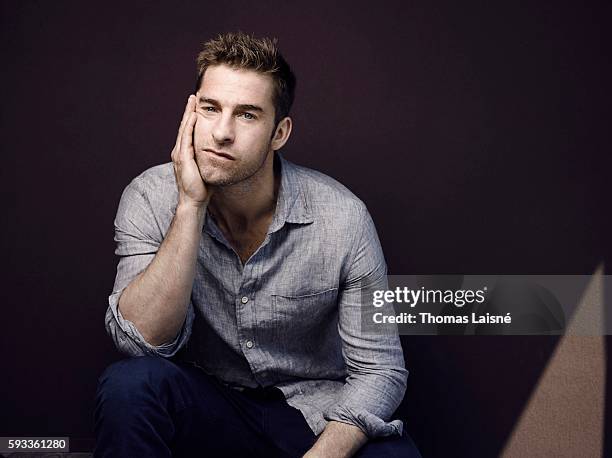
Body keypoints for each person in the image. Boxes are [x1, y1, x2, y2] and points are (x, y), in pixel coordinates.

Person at [94, 31, 421, 458]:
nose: (222, 133)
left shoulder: (343, 217)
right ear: (190, 112)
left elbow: (381, 370)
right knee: (130, 385)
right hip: (210, 407)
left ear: (280, 132)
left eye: (247, 115)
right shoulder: (149, 197)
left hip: (312, 412)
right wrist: (191, 205)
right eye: (210, 109)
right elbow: (143, 343)